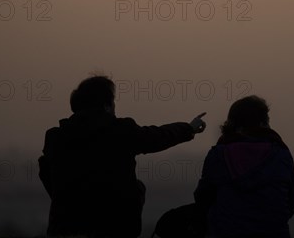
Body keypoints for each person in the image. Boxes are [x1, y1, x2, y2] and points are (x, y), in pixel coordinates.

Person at [38, 75, 207, 238]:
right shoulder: (121, 131)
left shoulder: (55, 138)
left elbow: (45, 173)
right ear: (106, 106)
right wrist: (189, 128)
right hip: (115, 228)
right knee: (138, 187)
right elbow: (158, 136)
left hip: (63, 227)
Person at [194, 95, 294, 238]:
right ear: (264, 123)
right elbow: (291, 203)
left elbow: (202, 199)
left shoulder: (218, 155)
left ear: (232, 124)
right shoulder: (281, 154)